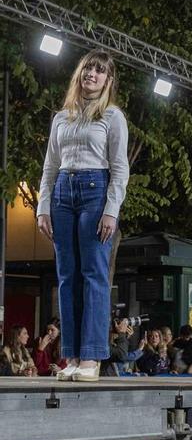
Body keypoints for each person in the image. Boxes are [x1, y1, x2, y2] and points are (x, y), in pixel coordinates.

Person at [36, 50, 130, 382]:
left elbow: (120, 170)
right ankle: (72, 356)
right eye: (87, 68)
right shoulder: (62, 117)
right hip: (63, 190)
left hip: (95, 190)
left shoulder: (112, 116)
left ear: (108, 80)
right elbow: (49, 167)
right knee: (67, 277)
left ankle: (92, 357)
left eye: (99, 71)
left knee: (94, 275)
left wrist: (111, 210)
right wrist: (42, 206)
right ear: (79, 74)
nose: (91, 74)